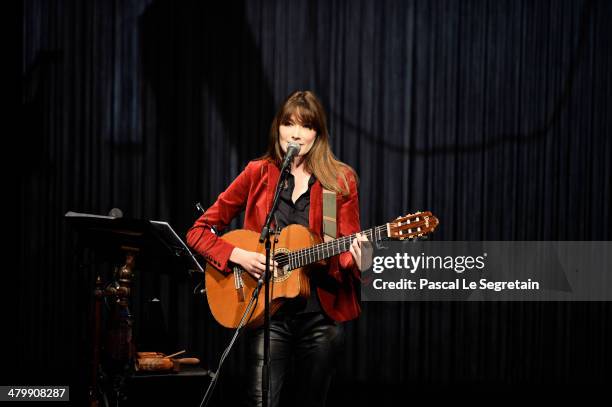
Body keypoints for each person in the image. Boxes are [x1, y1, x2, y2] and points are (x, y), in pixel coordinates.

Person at [186, 90, 368, 407]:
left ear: (318, 134)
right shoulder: (259, 172)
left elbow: (343, 253)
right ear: (278, 128)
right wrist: (238, 255)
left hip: (318, 318)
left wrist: (359, 259)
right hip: (268, 314)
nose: (296, 133)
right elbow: (198, 232)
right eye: (289, 123)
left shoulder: (338, 180)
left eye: (306, 126)